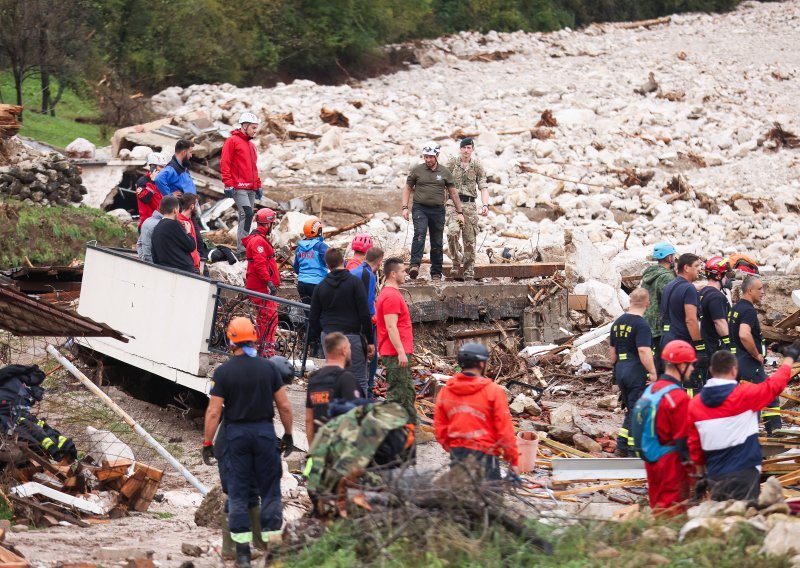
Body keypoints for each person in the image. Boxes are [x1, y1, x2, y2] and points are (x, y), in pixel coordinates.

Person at [202, 317, 294, 567]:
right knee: (271, 493)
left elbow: (213, 412)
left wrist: (207, 442)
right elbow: (285, 406)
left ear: (231, 339)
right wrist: (288, 435)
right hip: (264, 433)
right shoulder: (269, 369)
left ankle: (242, 554)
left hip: (237, 436)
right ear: (254, 337)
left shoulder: (223, 372)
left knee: (239, 494)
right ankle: (273, 552)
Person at [688, 345, 800, 502]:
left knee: (723, 521)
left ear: (712, 371)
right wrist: (790, 357)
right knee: (743, 520)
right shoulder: (745, 395)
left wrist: (700, 476)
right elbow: (774, 385)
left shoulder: (695, 405)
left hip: (715, 476)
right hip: (744, 473)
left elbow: (694, 445)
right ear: (734, 370)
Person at [434, 343, 519, 480]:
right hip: (486, 456)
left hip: (458, 454)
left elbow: (439, 428)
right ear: (481, 364)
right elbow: (505, 431)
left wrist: (452, 448)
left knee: (461, 497)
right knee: (490, 499)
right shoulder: (494, 391)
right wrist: (513, 460)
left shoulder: (446, 391)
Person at [308, 248, 375, 395]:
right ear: (343, 262)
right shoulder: (355, 283)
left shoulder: (321, 286)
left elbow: (313, 318)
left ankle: (333, 410)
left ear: (327, 265)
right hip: (352, 336)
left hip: (329, 337)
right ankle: (357, 414)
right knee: (359, 379)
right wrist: (370, 340)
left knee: (334, 376)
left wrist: (323, 333)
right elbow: (365, 314)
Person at [641, 340, 696, 516]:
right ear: (682, 365)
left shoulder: (650, 390)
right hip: (671, 462)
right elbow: (683, 440)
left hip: (651, 458)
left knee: (657, 505)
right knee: (672, 510)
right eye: (691, 365)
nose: (693, 369)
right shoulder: (678, 397)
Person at [402, 141, 464, 280]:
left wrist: (460, 213)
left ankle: (436, 271)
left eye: (431, 157)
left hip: (438, 210)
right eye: (426, 157)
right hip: (420, 208)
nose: (428, 160)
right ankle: (414, 265)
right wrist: (405, 207)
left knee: (437, 240)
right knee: (420, 233)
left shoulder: (444, 172)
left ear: (437, 155)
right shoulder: (417, 170)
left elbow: (453, 193)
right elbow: (407, 188)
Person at [729, 275, 780, 433]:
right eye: (760, 289)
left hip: (736, 361)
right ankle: (775, 434)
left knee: (746, 400)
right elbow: (744, 334)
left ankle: (745, 434)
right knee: (770, 396)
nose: (763, 292)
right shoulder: (748, 310)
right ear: (749, 290)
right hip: (748, 363)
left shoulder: (736, 308)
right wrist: (757, 354)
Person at [609, 288, 657, 457]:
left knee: (630, 409)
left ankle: (622, 446)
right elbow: (644, 350)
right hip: (636, 370)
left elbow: (612, 353)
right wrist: (652, 372)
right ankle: (633, 451)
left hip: (621, 369)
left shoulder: (618, 322)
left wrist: (617, 373)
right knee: (637, 411)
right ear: (648, 304)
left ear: (630, 301)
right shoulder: (642, 325)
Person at [375, 257, 416, 424]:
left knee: (404, 390)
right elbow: (391, 327)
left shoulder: (390, 293)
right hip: (395, 352)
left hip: (396, 350)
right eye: (402, 271)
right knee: (401, 392)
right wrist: (400, 352)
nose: (405, 274)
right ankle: (403, 428)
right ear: (393, 274)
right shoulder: (391, 296)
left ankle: (408, 427)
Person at [305, 332, 363, 445]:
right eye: (350, 348)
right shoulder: (346, 378)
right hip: (339, 451)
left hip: (319, 447)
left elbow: (309, 419)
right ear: (344, 350)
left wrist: (312, 452)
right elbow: (355, 419)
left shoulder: (314, 378)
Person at [660, 253, 705, 395]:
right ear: (686, 267)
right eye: (697, 266)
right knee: (690, 383)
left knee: (672, 382)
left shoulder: (669, 286)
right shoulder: (689, 288)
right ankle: (688, 414)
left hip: (666, 338)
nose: (699, 270)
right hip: (681, 341)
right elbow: (690, 319)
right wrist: (699, 345)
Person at [445, 138, 488, 281]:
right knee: (452, 232)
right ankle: (456, 260)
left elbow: (483, 186)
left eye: (469, 148)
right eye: (464, 148)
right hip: (453, 203)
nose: (466, 150)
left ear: (472, 149)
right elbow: (443, 182)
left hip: (470, 205)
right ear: (460, 149)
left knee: (469, 240)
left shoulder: (477, 166)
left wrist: (485, 204)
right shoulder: (452, 163)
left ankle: (469, 270)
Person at [221, 112, 264, 255]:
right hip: (239, 187)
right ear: (244, 126)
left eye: (256, 128)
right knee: (247, 213)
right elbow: (225, 163)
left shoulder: (251, 146)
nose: (255, 131)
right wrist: (228, 183)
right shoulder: (232, 141)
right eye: (253, 127)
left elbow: (254, 167)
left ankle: (243, 247)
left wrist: (258, 185)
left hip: (251, 188)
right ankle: (243, 250)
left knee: (246, 216)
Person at [242, 208, 280, 357]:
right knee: (270, 316)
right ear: (268, 224)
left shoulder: (258, 238)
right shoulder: (258, 241)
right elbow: (260, 264)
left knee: (264, 317)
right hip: (261, 286)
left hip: (259, 284)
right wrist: (269, 282)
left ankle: (261, 347)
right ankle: (266, 350)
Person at [693, 256, 734, 391]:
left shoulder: (704, 292)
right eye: (724, 275)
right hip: (713, 345)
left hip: (704, 342)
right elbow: (719, 322)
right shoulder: (716, 296)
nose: (726, 279)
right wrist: (729, 344)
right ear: (718, 276)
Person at [350, 247, 385, 398]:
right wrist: (369, 335)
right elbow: (367, 305)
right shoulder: (368, 275)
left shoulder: (355, 271)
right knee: (369, 360)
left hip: (350, 323)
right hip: (363, 325)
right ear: (379, 262)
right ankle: (366, 394)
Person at [641, 242, 676, 371]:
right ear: (668, 257)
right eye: (672, 255)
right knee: (662, 362)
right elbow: (672, 298)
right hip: (660, 325)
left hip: (647, 321)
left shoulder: (649, 274)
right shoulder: (666, 277)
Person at [151, 195, 197, 273]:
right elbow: (191, 246)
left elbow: (154, 255)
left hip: (165, 270)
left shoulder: (156, 228)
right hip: (184, 271)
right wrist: (188, 232)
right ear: (175, 210)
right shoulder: (175, 224)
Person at [293, 217, 328, 304]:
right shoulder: (321, 246)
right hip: (318, 284)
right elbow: (332, 263)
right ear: (319, 231)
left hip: (302, 285)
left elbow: (296, 269)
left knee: (309, 313)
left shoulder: (299, 249)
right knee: (321, 313)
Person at [135, 152, 166, 230]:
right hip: (148, 225)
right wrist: (152, 183)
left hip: (161, 223)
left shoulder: (161, 182)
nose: (163, 170)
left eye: (164, 167)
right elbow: (145, 199)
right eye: (161, 167)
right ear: (153, 167)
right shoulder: (143, 181)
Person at [137, 197, 166, 263]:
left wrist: (143, 258)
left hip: (147, 261)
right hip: (155, 264)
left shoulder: (147, 220)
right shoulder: (161, 225)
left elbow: (139, 243)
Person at [178, 193, 201, 273]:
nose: (198, 207)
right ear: (192, 206)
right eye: (196, 204)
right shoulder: (180, 223)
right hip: (188, 267)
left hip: (194, 265)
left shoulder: (189, 220)